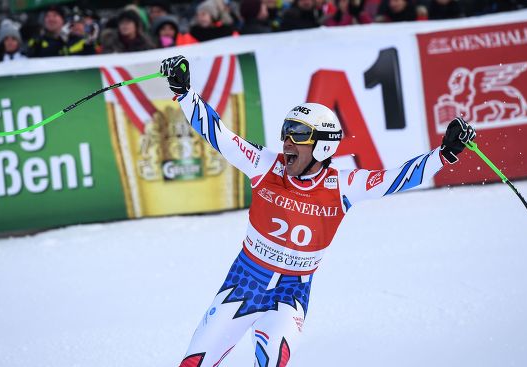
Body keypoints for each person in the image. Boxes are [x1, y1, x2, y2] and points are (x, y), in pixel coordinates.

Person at [159, 55, 476, 367]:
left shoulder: (344, 185)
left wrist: (445, 153)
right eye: (286, 132)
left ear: (323, 145)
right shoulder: (265, 164)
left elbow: (398, 178)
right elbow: (220, 136)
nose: (286, 142)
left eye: (297, 135)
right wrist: (185, 94)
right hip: (244, 283)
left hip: (291, 294)